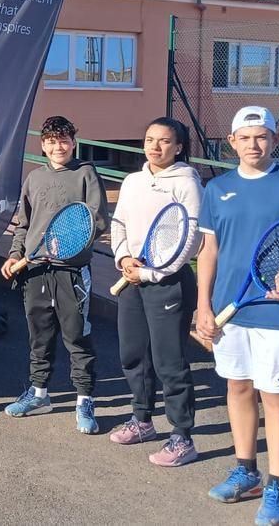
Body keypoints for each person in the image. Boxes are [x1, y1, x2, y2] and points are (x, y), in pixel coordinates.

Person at [195, 106, 279, 526]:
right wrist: (203, 305)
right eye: (245, 137)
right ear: (231, 142)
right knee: (237, 388)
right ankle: (246, 471)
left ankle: (276, 487)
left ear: (275, 140)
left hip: (276, 309)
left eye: (262, 136)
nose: (254, 144)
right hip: (229, 310)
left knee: (275, 397)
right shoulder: (217, 189)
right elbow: (209, 250)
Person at [1, 115, 109, 433]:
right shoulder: (34, 178)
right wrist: (15, 255)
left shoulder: (86, 173)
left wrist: (71, 242)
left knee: (77, 336)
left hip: (71, 272)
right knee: (39, 336)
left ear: (73, 142)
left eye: (63, 140)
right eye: (51, 140)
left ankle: (85, 400)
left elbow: (98, 220)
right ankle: (38, 394)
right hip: (35, 271)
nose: (57, 146)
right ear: (43, 145)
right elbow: (24, 224)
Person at [109, 117, 202, 466]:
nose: (155, 146)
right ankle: (142, 420)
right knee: (133, 354)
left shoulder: (187, 182)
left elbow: (188, 239)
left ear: (178, 147)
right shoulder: (133, 181)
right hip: (132, 278)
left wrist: (149, 273)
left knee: (170, 362)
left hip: (168, 285)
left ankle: (182, 437)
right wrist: (124, 259)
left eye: (164, 141)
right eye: (149, 139)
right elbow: (118, 223)